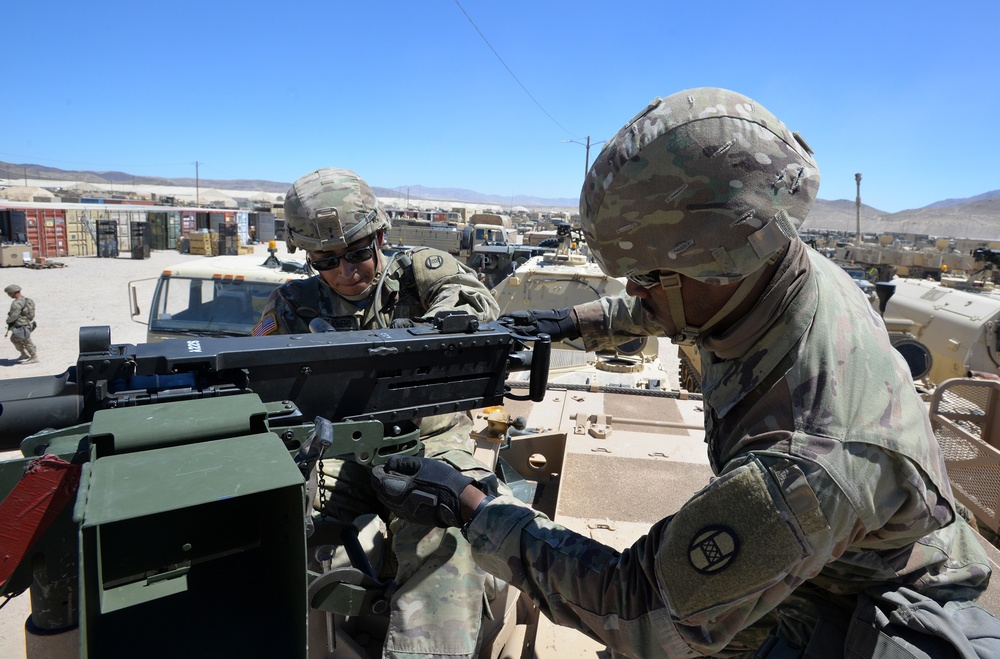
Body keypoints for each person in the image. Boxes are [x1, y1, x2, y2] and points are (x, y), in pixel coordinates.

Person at [371, 88, 1000, 657]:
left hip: (866, 601)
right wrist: (571, 323)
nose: (635, 293)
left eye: (645, 278)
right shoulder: (775, 261)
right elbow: (672, 308)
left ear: (723, 265)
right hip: (851, 549)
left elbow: (640, 608)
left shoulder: (809, 457)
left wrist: (473, 505)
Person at [253, 167, 503, 659]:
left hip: (428, 444)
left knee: (444, 539)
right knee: (281, 532)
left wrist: (431, 332)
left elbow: (475, 300)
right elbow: (258, 376)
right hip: (337, 450)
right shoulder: (292, 304)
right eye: (326, 260)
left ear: (380, 237)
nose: (346, 272)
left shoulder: (420, 272)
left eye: (357, 253)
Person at [5, 284, 37, 364]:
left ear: (13, 293)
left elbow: (14, 315)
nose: (9, 295)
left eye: (9, 293)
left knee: (26, 341)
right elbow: (32, 314)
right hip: (27, 323)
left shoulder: (16, 303)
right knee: (14, 339)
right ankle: (23, 354)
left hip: (20, 325)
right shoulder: (29, 300)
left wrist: (8, 321)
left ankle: (34, 357)